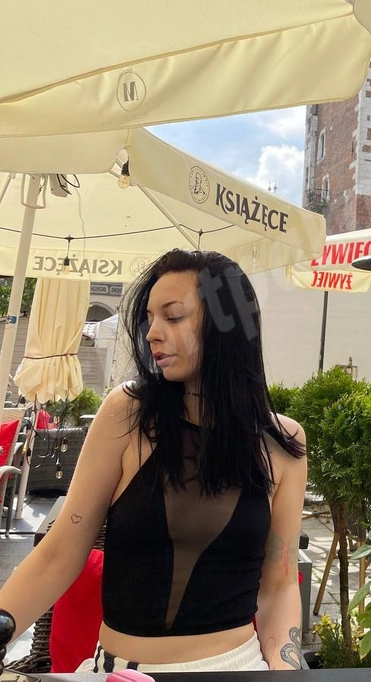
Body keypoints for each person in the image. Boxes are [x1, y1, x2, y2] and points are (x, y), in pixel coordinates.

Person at [0, 249, 307, 672]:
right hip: (121, 671)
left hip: (237, 668)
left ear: (228, 323)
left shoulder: (282, 443)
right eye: (149, 318)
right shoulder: (127, 414)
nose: (152, 333)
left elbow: (279, 585)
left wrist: (286, 668)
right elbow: (59, 555)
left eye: (173, 316)